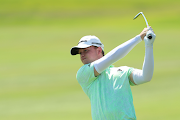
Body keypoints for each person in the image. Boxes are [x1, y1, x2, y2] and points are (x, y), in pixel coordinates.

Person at [70, 27, 156, 120]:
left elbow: (146, 77)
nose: (82, 55)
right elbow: (111, 57)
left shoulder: (122, 71)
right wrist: (139, 38)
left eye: (85, 50)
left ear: (99, 50)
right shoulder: (83, 74)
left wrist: (149, 46)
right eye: (80, 53)